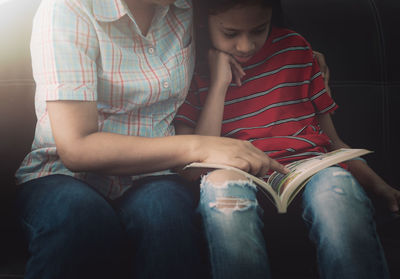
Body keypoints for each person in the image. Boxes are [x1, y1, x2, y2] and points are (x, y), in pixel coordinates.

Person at [14, 0, 292, 278]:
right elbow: (77, 149)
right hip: (64, 175)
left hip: (155, 174)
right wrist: (199, 147)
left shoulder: (185, 7)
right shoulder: (68, 9)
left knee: (166, 216)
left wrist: (303, 58)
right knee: (79, 217)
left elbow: (243, 26)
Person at [174, 0, 400, 278]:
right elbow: (196, 158)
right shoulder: (192, 66)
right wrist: (219, 83)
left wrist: (380, 187)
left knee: (337, 190)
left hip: (309, 167)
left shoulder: (296, 50)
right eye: (231, 34)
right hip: (236, 171)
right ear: (203, 22)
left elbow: (333, 143)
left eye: (259, 30)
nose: (246, 46)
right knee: (223, 192)